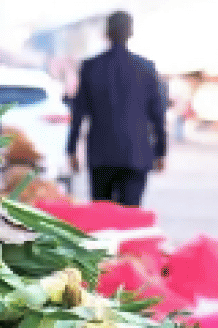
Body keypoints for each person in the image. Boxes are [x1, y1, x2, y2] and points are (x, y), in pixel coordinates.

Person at [66, 10, 167, 208]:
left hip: (101, 157)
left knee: (102, 217)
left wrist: (71, 150)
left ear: (107, 33)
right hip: (136, 154)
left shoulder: (90, 67)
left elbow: (78, 113)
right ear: (131, 33)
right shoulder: (146, 68)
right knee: (129, 216)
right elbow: (158, 114)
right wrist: (161, 151)